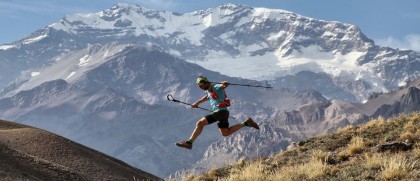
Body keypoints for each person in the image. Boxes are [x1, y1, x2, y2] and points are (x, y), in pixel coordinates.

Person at [176, 76, 260, 150]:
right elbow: (207, 97)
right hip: (224, 113)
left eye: (201, 85)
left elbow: (223, 86)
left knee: (200, 123)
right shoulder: (208, 91)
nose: (201, 88)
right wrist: (197, 103)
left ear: (205, 83)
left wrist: (224, 84)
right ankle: (246, 123)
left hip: (220, 112)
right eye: (199, 87)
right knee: (225, 133)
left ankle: (189, 143)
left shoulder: (216, 87)